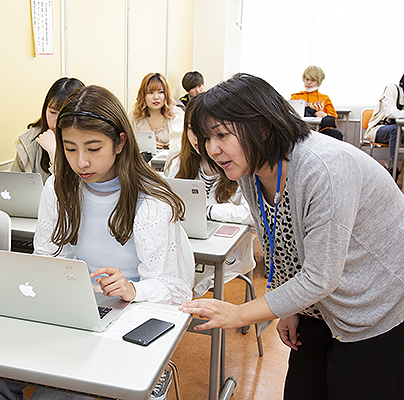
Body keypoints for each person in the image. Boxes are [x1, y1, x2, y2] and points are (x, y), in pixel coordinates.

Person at [180, 73, 404, 399]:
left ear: (262, 127)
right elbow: (276, 244)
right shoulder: (251, 170)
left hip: (372, 307)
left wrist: (240, 313)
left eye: (222, 135)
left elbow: (320, 277)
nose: (212, 149)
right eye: (206, 138)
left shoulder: (323, 168)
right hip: (318, 306)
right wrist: (287, 308)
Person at [0, 85, 193, 400]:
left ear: (120, 143)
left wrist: (133, 289)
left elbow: (175, 289)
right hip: (69, 308)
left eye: (93, 149)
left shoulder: (151, 201)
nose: (81, 162)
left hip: (127, 314)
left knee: (58, 395)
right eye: (70, 149)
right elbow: (45, 257)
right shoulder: (58, 188)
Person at [164, 104, 254, 296]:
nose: (197, 137)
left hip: (227, 253)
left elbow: (251, 214)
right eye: (191, 129)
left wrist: (208, 211)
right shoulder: (178, 164)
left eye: (204, 131)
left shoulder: (239, 165)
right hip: (185, 245)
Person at [11, 77, 85, 182]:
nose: (55, 123)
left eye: (63, 115)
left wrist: (54, 153)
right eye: (52, 112)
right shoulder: (29, 141)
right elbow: (13, 184)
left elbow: (74, 189)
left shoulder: (87, 145)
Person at [129, 72, 184, 152]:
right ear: (143, 95)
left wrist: (177, 144)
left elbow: (188, 139)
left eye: (160, 92)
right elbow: (128, 143)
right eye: (150, 92)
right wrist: (144, 145)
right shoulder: (135, 117)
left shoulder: (177, 115)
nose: (156, 97)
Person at [290, 66, 343, 140]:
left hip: (321, 130)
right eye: (307, 79)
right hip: (303, 130)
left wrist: (325, 115)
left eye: (313, 80)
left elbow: (333, 119)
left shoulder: (325, 98)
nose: (309, 82)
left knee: (336, 134)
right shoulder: (296, 97)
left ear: (319, 81)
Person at [364, 74, 404, 170]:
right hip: (378, 129)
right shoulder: (392, 89)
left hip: (399, 132)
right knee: (395, 130)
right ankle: (393, 167)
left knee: (397, 131)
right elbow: (390, 112)